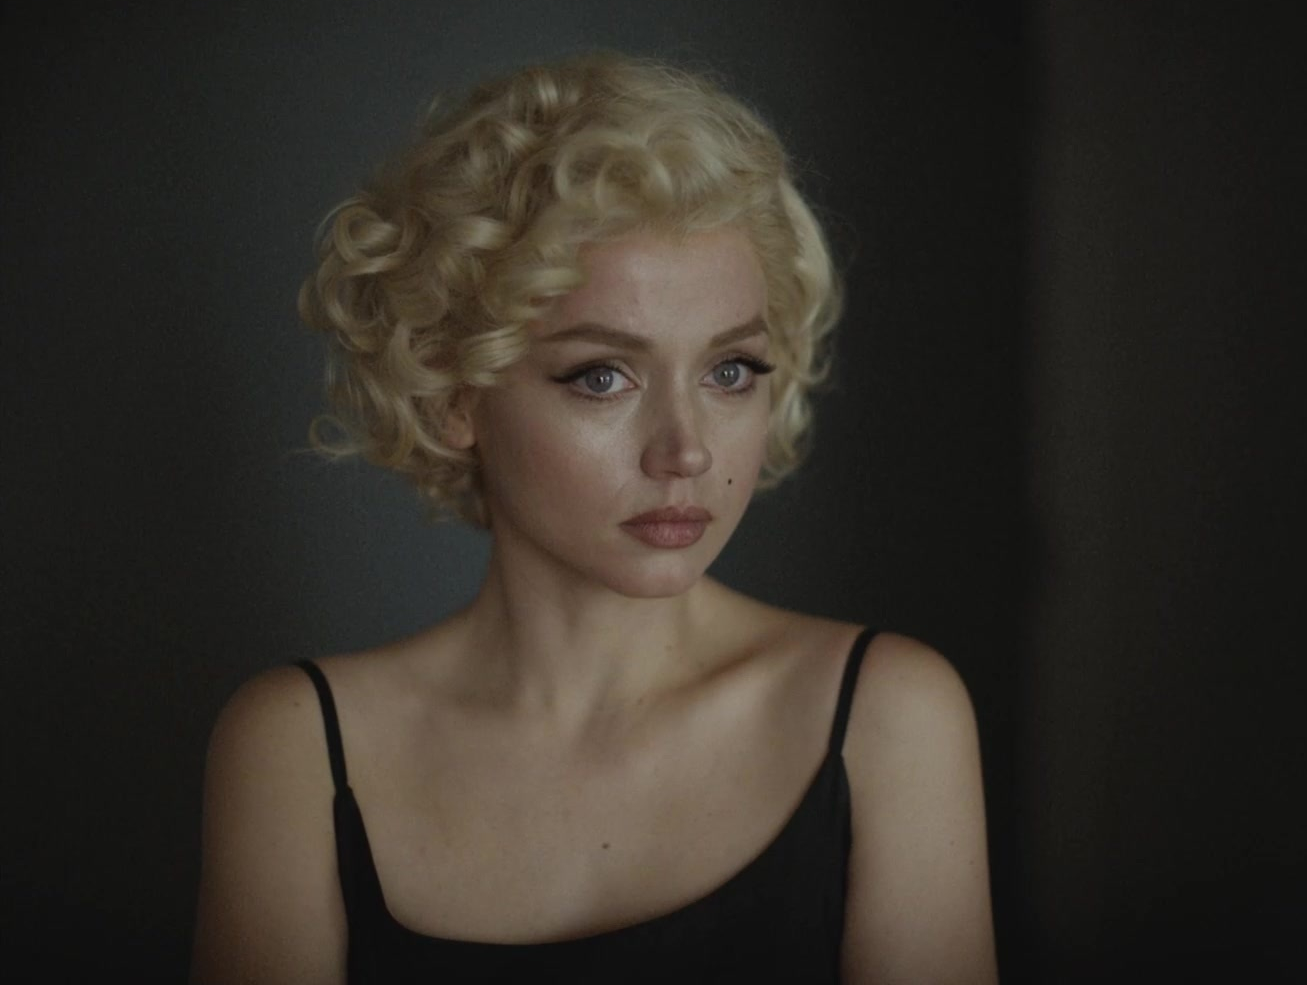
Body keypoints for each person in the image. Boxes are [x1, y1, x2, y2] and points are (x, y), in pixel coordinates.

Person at [190, 53, 997, 984]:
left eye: (729, 371)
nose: (685, 451)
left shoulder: (887, 717)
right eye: (602, 376)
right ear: (454, 396)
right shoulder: (297, 748)